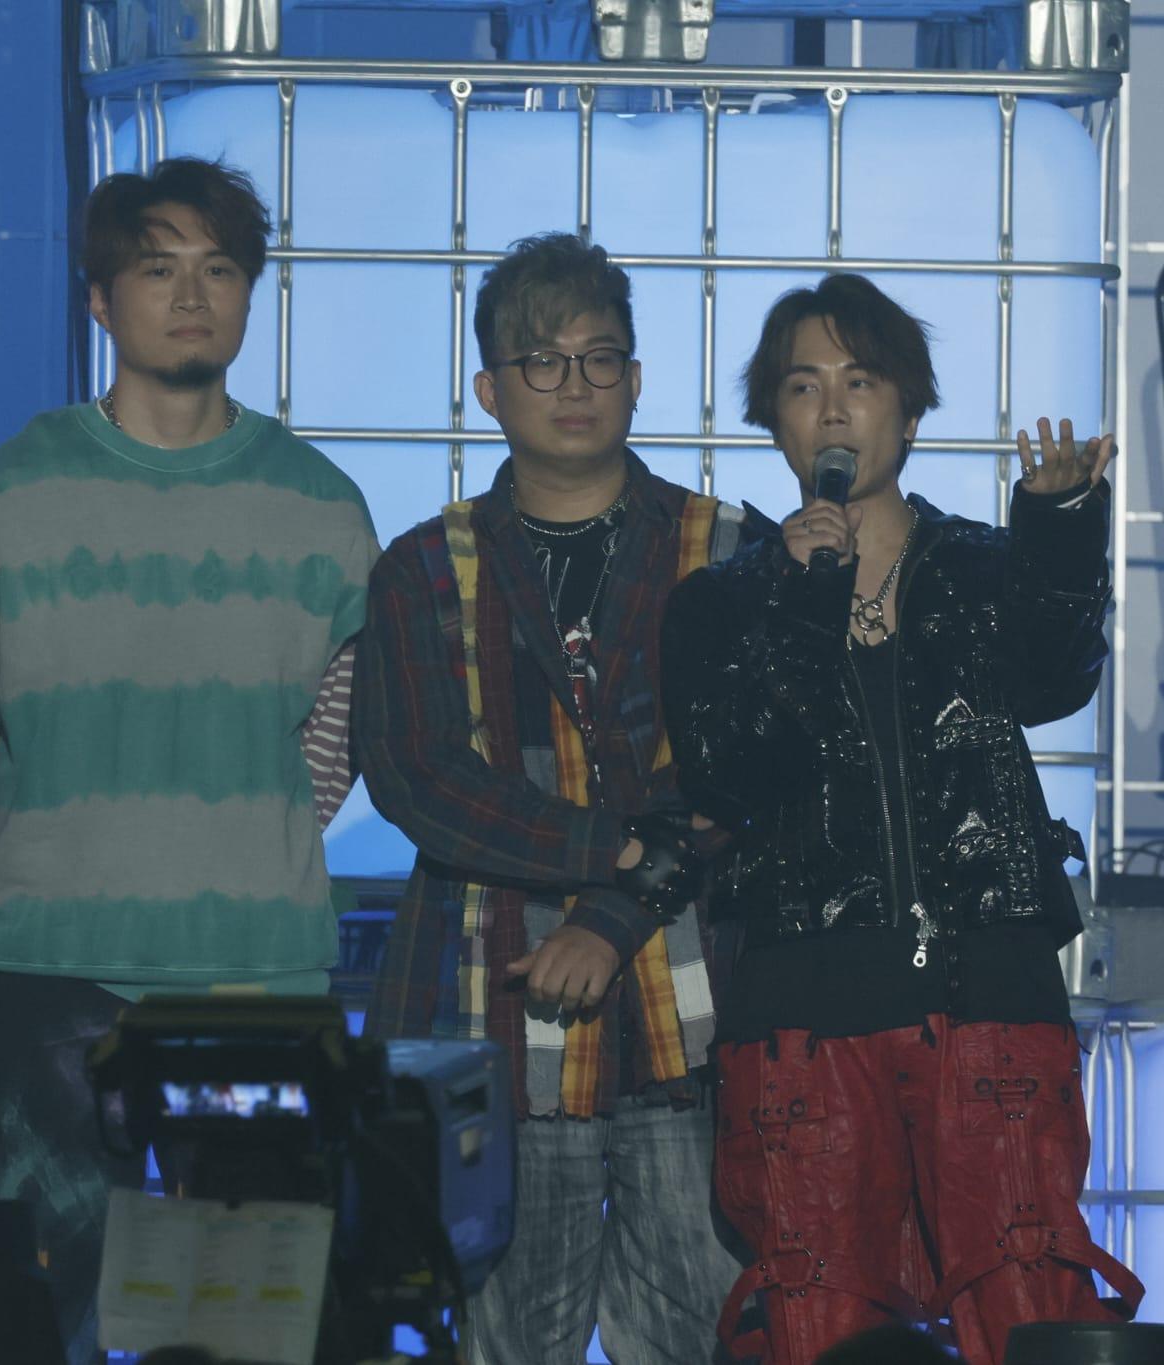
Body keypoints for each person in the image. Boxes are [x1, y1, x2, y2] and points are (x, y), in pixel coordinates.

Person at [0, 156, 378, 1364]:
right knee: (39, 1330)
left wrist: (231, 844)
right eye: (156, 268)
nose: (190, 295)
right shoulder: (1, 504)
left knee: (246, 1335)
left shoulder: (321, 509)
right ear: (97, 296)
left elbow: (334, 743)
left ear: (249, 294)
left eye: (218, 269)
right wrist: (27, 862)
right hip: (46, 973)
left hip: (254, 980)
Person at [661, 272, 1143, 1365]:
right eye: (802, 386)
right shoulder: (722, 603)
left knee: (1023, 1288)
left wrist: (1063, 529)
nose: (832, 409)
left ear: (911, 412)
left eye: (861, 381)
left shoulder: (984, 568)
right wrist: (804, 598)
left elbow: (1053, 679)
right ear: (772, 420)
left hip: (989, 989)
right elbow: (730, 777)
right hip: (803, 1004)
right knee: (817, 1311)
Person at [358, 232, 745, 1365]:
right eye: (541, 361)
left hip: (696, 1027)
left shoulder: (727, 550)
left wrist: (611, 915)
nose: (573, 385)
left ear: (637, 378)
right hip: (489, 1021)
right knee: (498, 1346)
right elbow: (421, 779)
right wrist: (617, 854)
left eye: (598, 357)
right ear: (489, 391)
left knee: (705, 1341)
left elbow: (741, 775)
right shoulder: (423, 567)